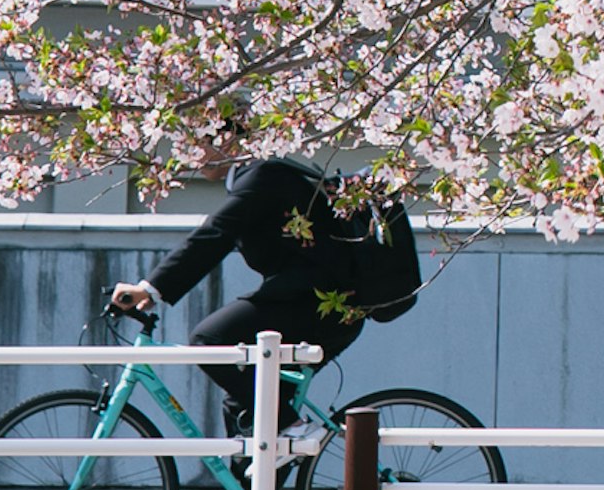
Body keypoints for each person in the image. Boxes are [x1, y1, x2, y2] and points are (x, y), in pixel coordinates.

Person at [109, 154, 422, 390]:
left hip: (320, 306)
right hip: (319, 304)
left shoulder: (261, 176)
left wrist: (150, 288)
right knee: (246, 414)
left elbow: (215, 235)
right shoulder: (259, 175)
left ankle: (290, 426)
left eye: (198, 140)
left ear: (227, 139)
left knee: (209, 341)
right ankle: (261, 465)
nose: (190, 153)